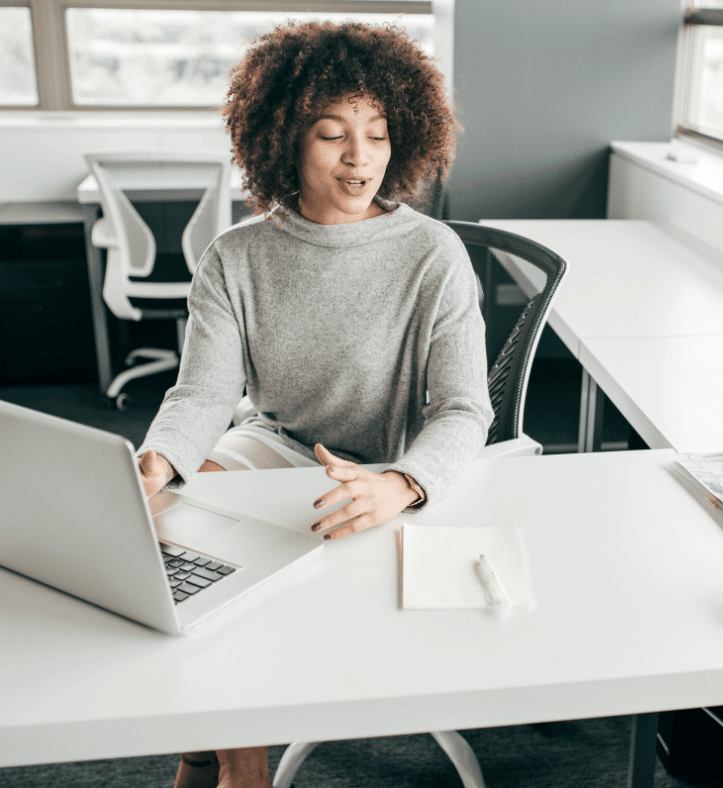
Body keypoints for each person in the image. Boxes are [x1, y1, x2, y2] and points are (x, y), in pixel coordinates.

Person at [135, 20, 493, 788]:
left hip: (380, 465)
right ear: (285, 142)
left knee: (233, 556)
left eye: (378, 133)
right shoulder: (236, 257)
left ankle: (206, 750)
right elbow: (203, 393)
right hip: (274, 444)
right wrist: (161, 456)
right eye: (333, 135)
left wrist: (403, 482)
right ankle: (244, 764)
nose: (361, 157)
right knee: (172, 518)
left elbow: (464, 410)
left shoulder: (433, 256)